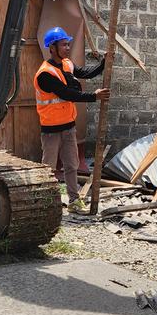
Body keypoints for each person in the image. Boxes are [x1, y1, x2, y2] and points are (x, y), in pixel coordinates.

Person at [34, 26, 108, 212]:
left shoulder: (67, 64)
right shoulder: (45, 74)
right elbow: (67, 94)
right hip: (51, 128)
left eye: (68, 44)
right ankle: (45, 203)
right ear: (52, 47)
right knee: (48, 168)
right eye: (64, 45)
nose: (68, 48)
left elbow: (85, 73)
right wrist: (94, 96)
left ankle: (74, 201)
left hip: (68, 126)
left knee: (71, 165)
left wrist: (105, 63)